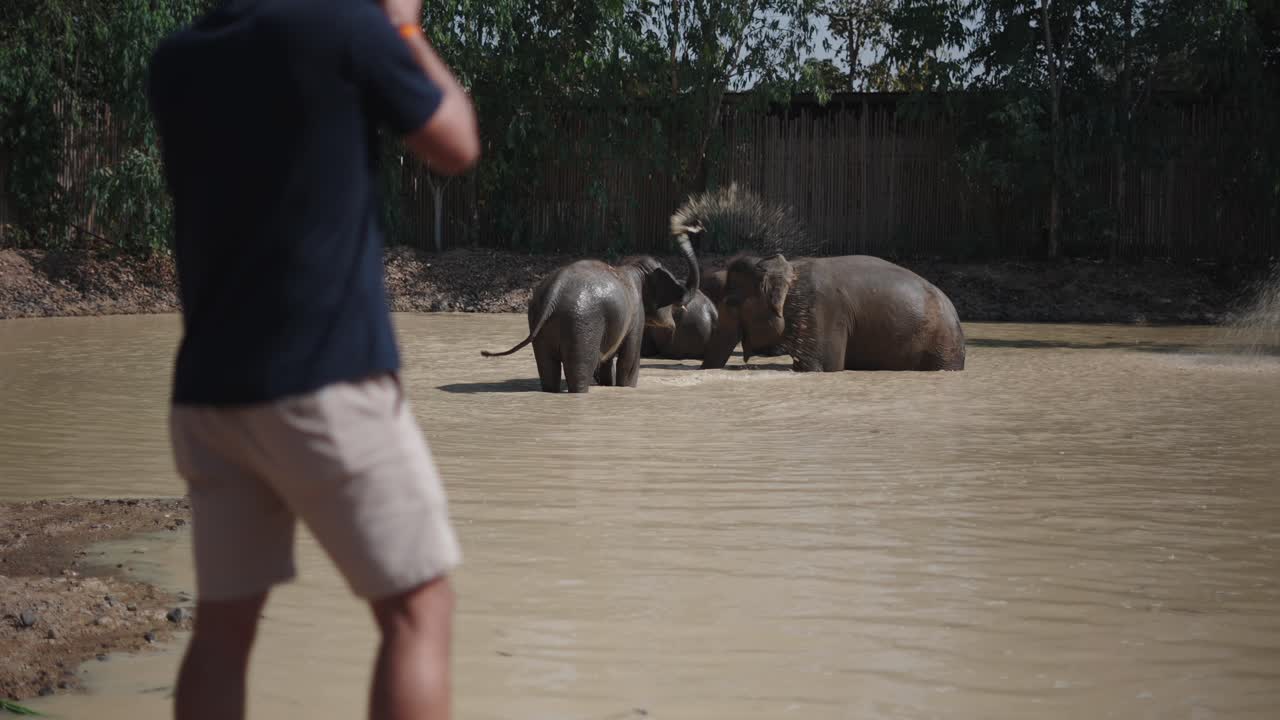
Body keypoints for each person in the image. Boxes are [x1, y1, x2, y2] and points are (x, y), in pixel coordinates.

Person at [146, 0, 479, 716]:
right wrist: (405, 27)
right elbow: (456, 142)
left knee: (221, 633)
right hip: (326, 379)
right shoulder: (345, 27)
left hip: (209, 397)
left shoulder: (177, 59)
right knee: (420, 610)